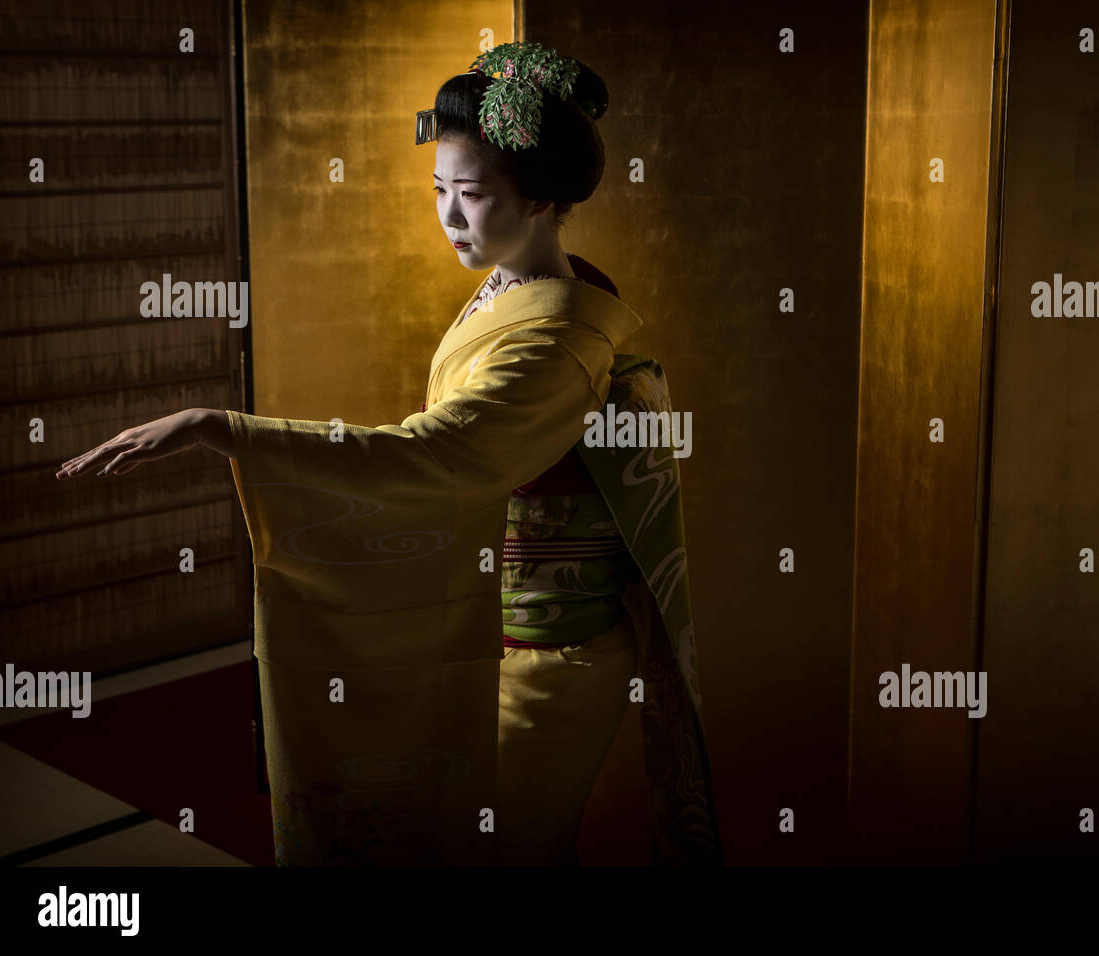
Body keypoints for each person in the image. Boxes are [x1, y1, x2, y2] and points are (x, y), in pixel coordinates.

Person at [55, 41, 721, 867]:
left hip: (549, 655)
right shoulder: (522, 285)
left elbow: (434, 454)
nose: (447, 216)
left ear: (542, 198)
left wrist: (223, 428)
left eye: (471, 196)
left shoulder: (557, 342)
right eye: (438, 189)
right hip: (496, 629)